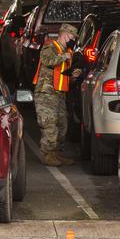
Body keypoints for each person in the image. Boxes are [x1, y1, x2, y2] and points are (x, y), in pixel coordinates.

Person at [33, 23, 79, 166]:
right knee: (50, 124)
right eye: (72, 37)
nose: (73, 40)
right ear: (65, 35)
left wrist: (74, 76)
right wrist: (63, 56)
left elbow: (62, 74)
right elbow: (48, 61)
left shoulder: (68, 52)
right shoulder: (50, 47)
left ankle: (56, 153)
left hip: (59, 94)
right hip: (46, 93)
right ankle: (48, 154)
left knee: (62, 125)